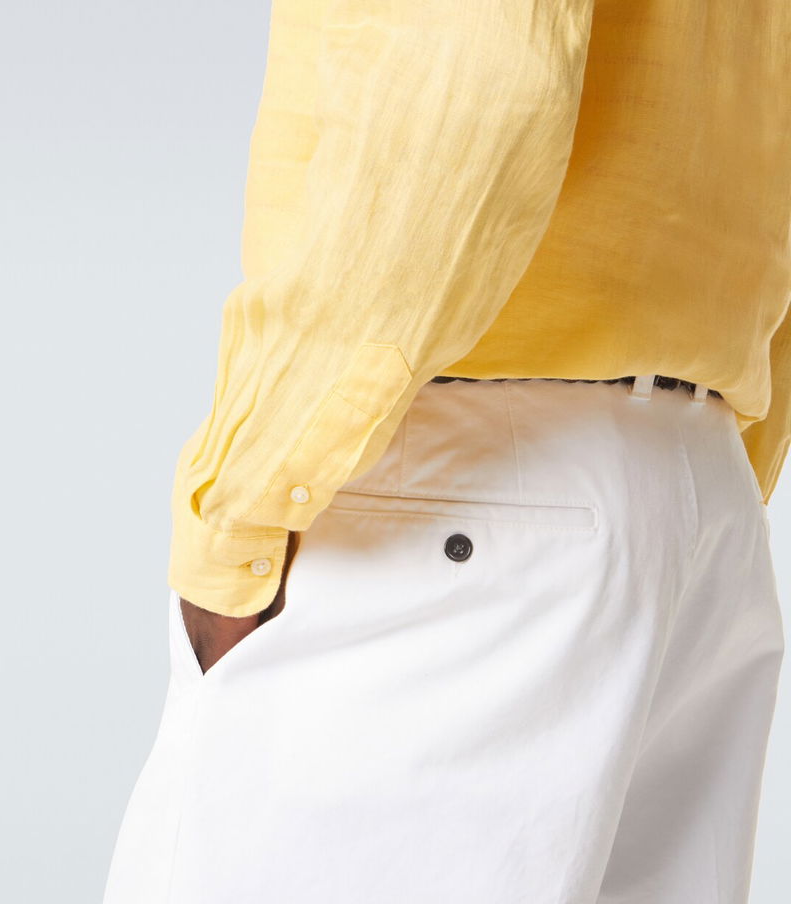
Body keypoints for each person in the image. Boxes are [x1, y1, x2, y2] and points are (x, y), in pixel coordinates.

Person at [103, 1, 790, 901]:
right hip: (688, 485)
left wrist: (246, 499)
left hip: (460, 495)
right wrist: (723, 462)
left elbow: (477, 75)